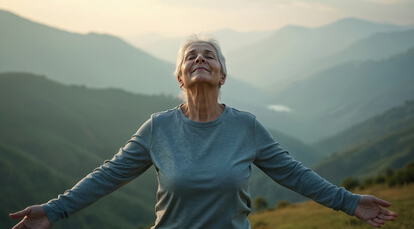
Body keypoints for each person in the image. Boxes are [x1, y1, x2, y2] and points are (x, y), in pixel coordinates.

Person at [9, 36, 397, 229]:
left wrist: (350, 202)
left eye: (209, 55)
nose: (199, 58)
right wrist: (53, 210)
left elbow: (296, 175)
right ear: (180, 76)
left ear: (222, 74)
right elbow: (108, 175)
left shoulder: (247, 127)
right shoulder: (157, 128)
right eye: (190, 56)